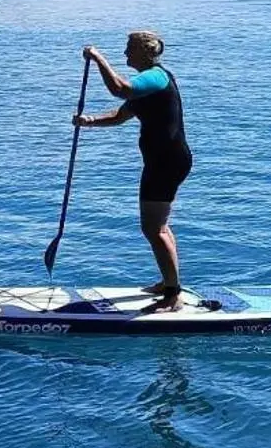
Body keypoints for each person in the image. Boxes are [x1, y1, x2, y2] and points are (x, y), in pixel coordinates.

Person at [76, 30, 193, 304]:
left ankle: (173, 296)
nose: (125, 53)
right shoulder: (148, 86)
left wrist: (97, 58)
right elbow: (120, 116)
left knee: (153, 228)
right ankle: (169, 283)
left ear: (144, 51)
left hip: (166, 161)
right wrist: (89, 121)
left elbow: (120, 90)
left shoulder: (154, 77)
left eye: (129, 48)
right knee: (158, 226)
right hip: (164, 160)